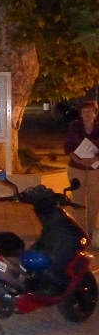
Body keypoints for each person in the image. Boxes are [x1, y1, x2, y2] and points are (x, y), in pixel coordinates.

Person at [64, 100, 99, 240]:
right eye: (84, 111)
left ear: (95, 113)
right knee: (77, 199)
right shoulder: (74, 126)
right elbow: (68, 146)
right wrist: (77, 159)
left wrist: (95, 159)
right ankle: (79, 231)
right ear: (80, 113)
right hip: (76, 167)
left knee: (93, 200)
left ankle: (92, 231)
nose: (87, 114)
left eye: (90, 111)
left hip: (95, 169)